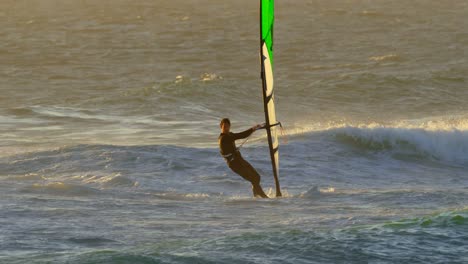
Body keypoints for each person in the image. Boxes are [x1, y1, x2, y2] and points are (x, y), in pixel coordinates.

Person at [218, 118, 269, 198]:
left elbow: (238, 136)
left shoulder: (230, 135)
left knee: (257, 177)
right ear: (221, 127)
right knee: (253, 179)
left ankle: (256, 196)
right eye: (224, 126)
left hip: (239, 160)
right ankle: (263, 197)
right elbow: (241, 135)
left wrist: (256, 128)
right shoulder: (223, 138)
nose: (226, 128)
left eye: (228, 126)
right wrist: (253, 129)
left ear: (230, 126)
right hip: (234, 164)